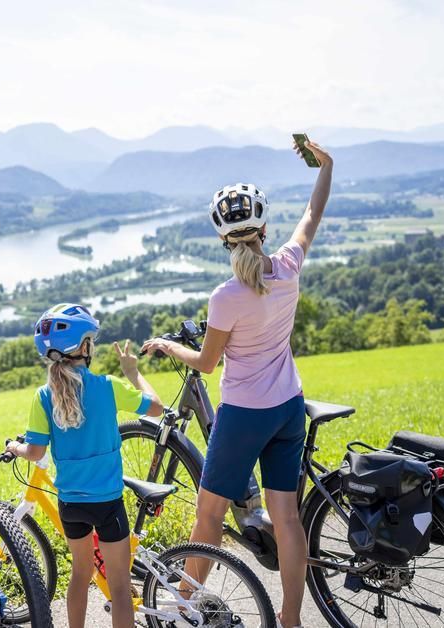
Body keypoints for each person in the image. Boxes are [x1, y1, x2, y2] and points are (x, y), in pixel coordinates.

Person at [141, 139, 333, 628]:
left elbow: (206, 363)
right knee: (287, 519)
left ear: (225, 239)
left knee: (208, 518)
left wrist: (167, 346)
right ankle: (290, 618)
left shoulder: (226, 296)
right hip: (289, 406)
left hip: (245, 416)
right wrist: (325, 166)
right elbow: (312, 215)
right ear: (264, 229)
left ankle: (182, 607)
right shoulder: (287, 267)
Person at [4, 304, 165, 628]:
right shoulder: (107, 385)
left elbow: (35, 452)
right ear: (83, 347)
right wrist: (133, 372)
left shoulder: (43, 396)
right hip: (107, 502)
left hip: (71, 504)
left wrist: (14, 447)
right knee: (119, 588)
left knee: (80, 574)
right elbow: (157, 408)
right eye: (90, 339)